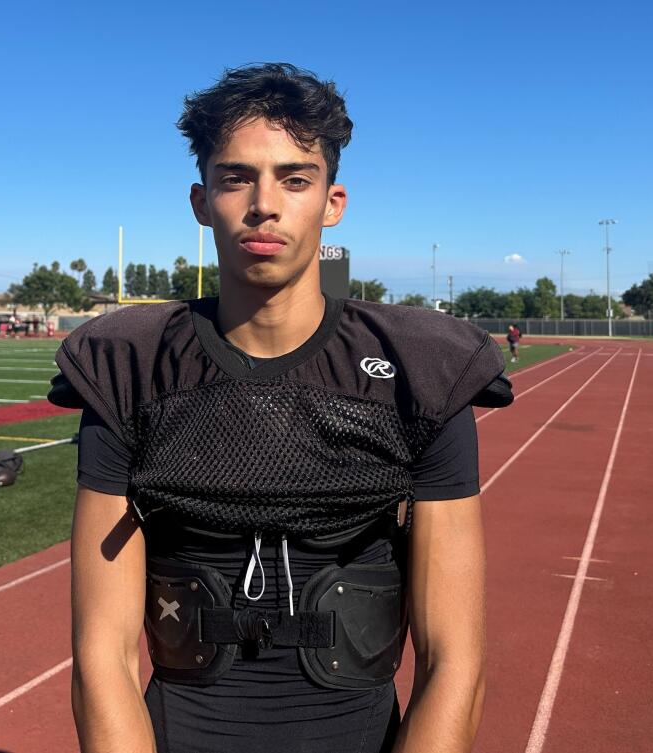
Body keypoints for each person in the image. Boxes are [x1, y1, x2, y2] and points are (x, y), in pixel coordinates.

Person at [49, 63, 512, 753]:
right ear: (202, 200)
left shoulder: (420, 372)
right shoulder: (130, 369)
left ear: (333, 202)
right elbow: (103, 656)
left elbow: (455, 661)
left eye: (295, 179)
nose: (265, 203)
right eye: (237, 177)